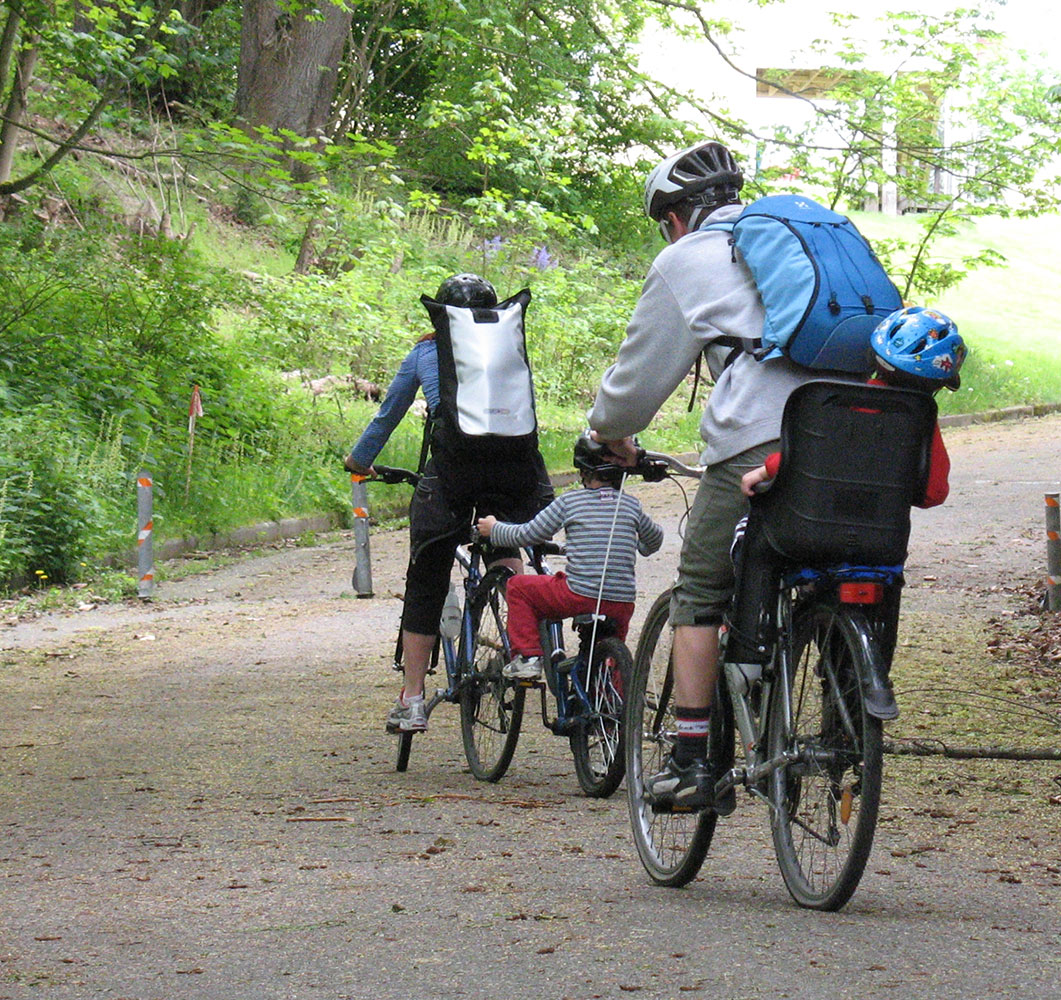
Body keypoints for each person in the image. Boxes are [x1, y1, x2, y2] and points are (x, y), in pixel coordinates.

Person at [587, 140, 818, 809]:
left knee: (699, 592)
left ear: (678, 217)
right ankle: (842, 696)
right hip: (859, 429)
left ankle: (693, 764)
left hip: (758, 439)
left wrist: (608, 433)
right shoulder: (800, 236)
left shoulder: (686, 258)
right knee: (841, 565)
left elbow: (632, 389)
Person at [728, 305, 967, 721]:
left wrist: (763, 471)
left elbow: (802, 460)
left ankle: (749, 654)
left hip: (804, 537)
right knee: (883, 577)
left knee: (754, 541)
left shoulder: (831, 402)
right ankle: (857, 699)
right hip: (877, 546)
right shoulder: (918, 422)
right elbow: (933, 492)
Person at [344, 272, 553, 734]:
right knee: (504, 543)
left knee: (428, 575)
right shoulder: (507, 345)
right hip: (517, 467)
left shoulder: (425, 351)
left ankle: (413, 699)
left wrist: (360, 460)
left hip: (455, 471)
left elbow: (389, 413)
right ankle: (523, 652)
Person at [476, 436, 664, 679]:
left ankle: (528, 657)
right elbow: (655, 540)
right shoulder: (631, 506)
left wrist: (495, 529)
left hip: (578, 595)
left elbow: (528, 534)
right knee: (609, 661)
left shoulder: (571, 502)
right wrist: (638, 545)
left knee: (518, 587)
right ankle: (617, 708)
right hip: (621, 602)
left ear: (584, 470)